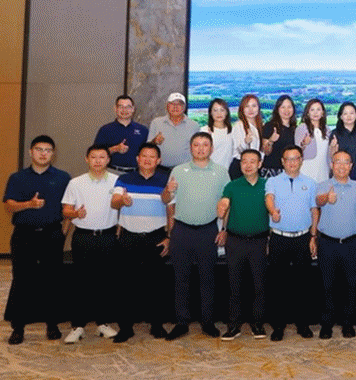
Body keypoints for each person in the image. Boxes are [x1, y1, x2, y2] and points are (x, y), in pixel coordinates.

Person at [161, 131, 230, 340]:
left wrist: (224, 229)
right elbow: (166, 200)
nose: (200, 148)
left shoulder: (221, 172)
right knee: (181, 279)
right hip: (182, 231)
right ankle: (181, 323)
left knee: (207, 279)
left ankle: (207, 322)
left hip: (208, 231)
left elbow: (227, 203)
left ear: (211, 148)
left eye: (205, 145)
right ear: (191, 148)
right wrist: (168, 190)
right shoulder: (178, 170)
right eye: (196, 145)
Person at [3, 135, 71, 345]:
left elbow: (68, 208)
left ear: (53, 154)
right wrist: (28, 205)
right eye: (39, 149)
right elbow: (9, 206)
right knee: (22, 280)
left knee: (52, 280)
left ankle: (52, 324)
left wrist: (63, 233)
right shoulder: (17, 178)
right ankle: (18, 327)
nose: (43, 153)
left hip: (52, 234)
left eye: (48, 150)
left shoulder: (63, 178)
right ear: (31, 152)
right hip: (24, 234)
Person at [110, 142, 171, 343]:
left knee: (156, 285)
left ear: (158, 160)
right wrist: (122, 201)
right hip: (129, 237)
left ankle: (157, 325)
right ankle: (125, 328)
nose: (147, 160)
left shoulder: (165, 180)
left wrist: (169, 237)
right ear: (137, 159)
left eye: (152, 156)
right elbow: (114, 202)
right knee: (125, 285)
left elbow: (171, 210)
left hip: (155, 237)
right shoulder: (124, 179)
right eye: (144, 156)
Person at [61, 144, 119, 343]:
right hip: (83, 237)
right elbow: (66, 210)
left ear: (108, 160)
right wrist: (75, 213)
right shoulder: (76, 183)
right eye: (93, 157)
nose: (97, 161)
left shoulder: (117, 181)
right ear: (87, 159)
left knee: (106, 281)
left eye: (102, 157)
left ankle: (103, 323)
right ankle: (78, 326)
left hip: (108, 237)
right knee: (81, 282)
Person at [264, 144, 318, 341]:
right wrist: (273, 211)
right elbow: (269, 199)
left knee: (302, 284)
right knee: (278, 284)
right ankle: (278, 325)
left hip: (303, 239)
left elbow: (314, 210)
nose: (292, 162)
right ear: (282, 161)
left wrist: (313, 236)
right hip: (279, 238)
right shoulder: (273, 181)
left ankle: (302, 324)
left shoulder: (310, 183)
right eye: (288, 159)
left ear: (301, 160)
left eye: (296, 158)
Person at [216, 149, 268, 341]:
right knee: (234, 285)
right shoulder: (232, 185)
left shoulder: (267, 185)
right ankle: (233, 325)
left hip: (259, 241)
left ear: (260, 164)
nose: (248, 165)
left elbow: (272, 211)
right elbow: (225, 206)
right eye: (244, 161)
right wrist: (222, 218)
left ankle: (258, 324)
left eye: (252, 161)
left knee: (259, 285)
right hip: (235, 241)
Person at [315, 150, 356, 339]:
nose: (342, 166)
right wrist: (326, 198)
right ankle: (326, 324)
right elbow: (318, 202)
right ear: (332, 164)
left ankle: (348, 323)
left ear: (351, 166)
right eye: (338, 162)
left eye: (346, 162)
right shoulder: (323, 185)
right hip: (327, 243)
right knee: (326, 285)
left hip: (351, 243)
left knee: (350, 285)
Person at [94, 94, 149, 174]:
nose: (124, 110)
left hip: (136, 174)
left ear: (133, 109)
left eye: (128, 107)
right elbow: (96, 154)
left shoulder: (143, 130)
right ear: (115, 109)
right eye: (121, 107)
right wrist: (115, 149)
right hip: (112, 172)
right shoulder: (105, 129)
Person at [149, 92, 200, 171]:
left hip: (185, 170)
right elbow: (148, 147)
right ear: (167, 106)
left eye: (179, 104)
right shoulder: (156, 123)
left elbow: (197, 149)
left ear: (184, 107)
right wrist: (154, 141)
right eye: (172, 104)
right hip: (161, 169)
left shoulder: (194, 125)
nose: (175, 107)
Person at [330, 101, 356, 183]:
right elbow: (332, 157)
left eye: (352, 113)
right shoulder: (335, 134)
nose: (349, 116)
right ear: (341, 116)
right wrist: (332, 147)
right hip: (340, 174)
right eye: (345, 114)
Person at [260, 94, 297, 177]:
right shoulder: (270, 126)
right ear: (277, 109)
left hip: (289, 170)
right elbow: (266, 152)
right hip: (272, 170)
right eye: (283, 107)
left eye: (289, 107)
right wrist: (271, 140)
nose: (286, 110)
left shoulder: (294, 128)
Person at [296, 98, 331, 183]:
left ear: (322, 113)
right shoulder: (302, 128)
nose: (315, 112)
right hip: (307, 167)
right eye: (312, 110)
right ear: (308, 113)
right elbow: (296, 151)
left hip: (323, 167)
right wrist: (304, 144)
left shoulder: (327, 129)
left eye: (318, 109)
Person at [230, 93, 264, 180]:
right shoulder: (238, 126)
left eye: (254, 106)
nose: (251, 109)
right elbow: (236, 151)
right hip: (241, 167)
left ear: (258, 108)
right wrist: (246, 142)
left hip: (256, 167)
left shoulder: (261, 125)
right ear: (242, 109)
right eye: (247, 106)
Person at [206, 98, 235, 170]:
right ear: (210, 113)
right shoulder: (205, 130)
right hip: (209, 171)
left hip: (227, 172)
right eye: (215, 110)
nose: (219, 113)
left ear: (226, 112)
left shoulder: (232, 131)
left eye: (222, 110)